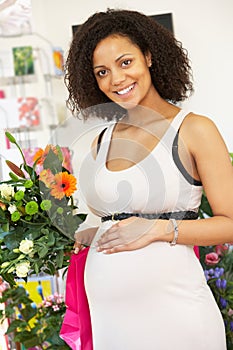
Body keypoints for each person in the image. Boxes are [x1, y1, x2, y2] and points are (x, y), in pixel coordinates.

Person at [65, 8, 233, 349]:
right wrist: (93, 232)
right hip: (111, 322)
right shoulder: (102, 139)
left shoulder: (193, 129)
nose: (116, 80)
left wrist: (158, 229)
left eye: (126, 62)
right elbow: (121, 217)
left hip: (177, 317)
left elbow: (230, 223)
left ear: (149, 56)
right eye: (102, 72)